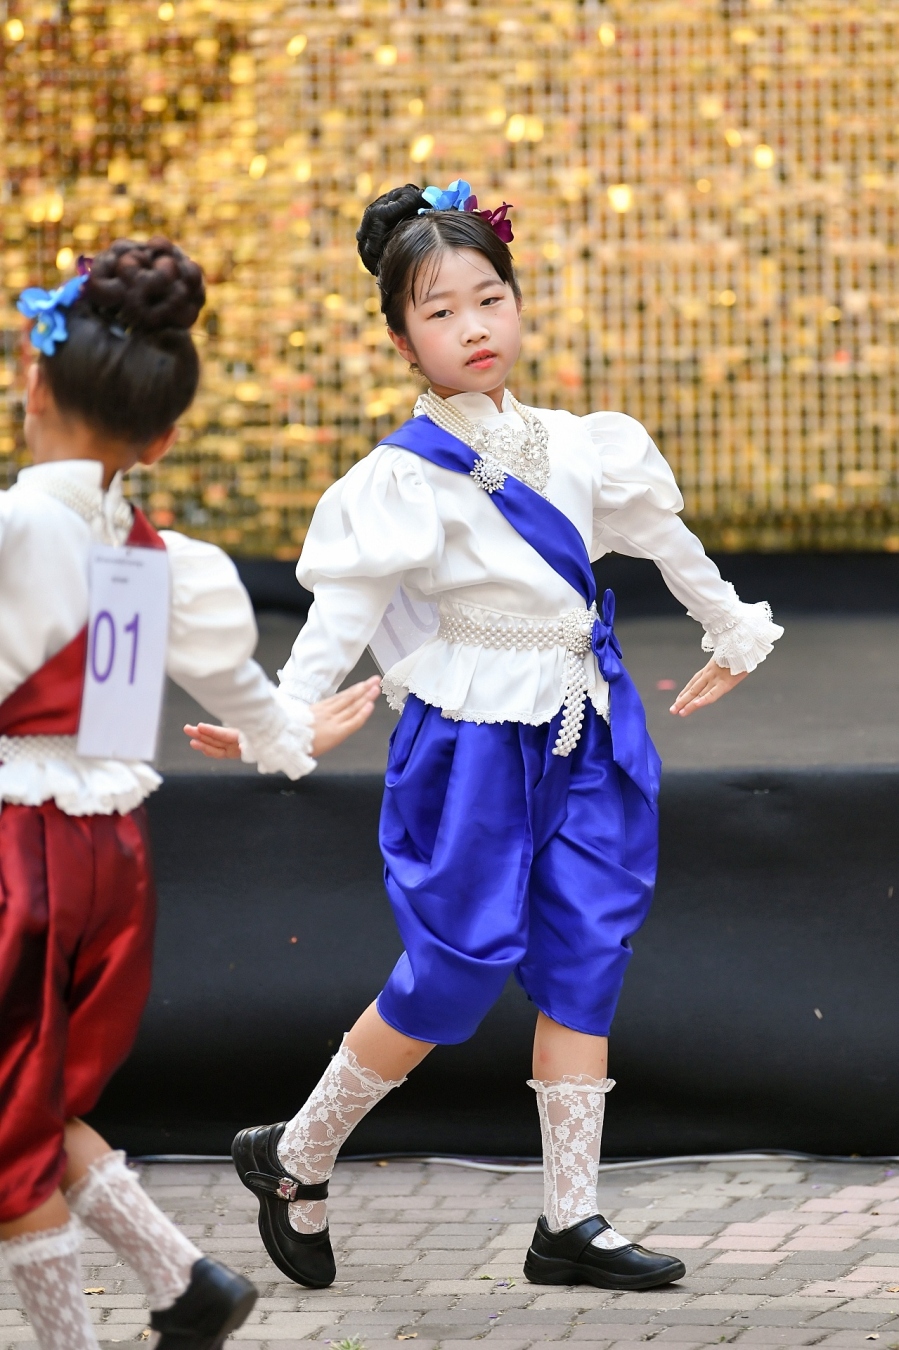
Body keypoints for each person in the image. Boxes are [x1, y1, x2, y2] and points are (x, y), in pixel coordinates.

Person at [191, 181, 783, 1293]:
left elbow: (665, 540)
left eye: (489, 298)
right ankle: (296, 1150)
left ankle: (569, 1220)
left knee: (587, 953)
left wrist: (731, 627)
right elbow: (342, 618)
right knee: (454, 970)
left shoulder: (581, 443)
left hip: (587, 724)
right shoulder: (401, 477)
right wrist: (278, 712)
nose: (473, 327)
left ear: (516, 304)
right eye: (440, 311)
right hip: (470, 743)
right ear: (401, 342)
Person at [0, 237, 380, 1350]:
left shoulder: (17, 530)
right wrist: (289, 738)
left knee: (12, 1125)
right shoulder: (158, 558)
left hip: (20, 851)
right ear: (163, 437)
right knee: (27, 1094)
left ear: (33, 384)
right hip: (112, 855)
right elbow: (243, 696)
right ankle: (185, 1281)